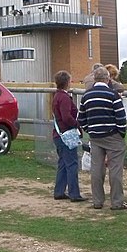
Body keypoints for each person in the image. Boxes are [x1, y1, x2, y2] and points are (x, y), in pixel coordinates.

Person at [77, 66, 127, 210]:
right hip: (112, 135)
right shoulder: (113, 95)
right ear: (107, 79)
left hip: (95, 136)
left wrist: (90, 130)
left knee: (97, 170)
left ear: (94, 78)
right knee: (115, 169)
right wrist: (120, 133)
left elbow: (80, 119)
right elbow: (121, 117)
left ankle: (97, 201)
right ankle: (117, 202)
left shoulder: (86, 96)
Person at [51, 70, 86, 202]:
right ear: (67, 82)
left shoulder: (57, 96)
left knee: (63, 164)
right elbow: (66, 117)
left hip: (58, 134)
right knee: (72, 164)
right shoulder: (64, 98)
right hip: (66, 135)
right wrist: (77, 124)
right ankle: (74, 193)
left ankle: (59, 191)